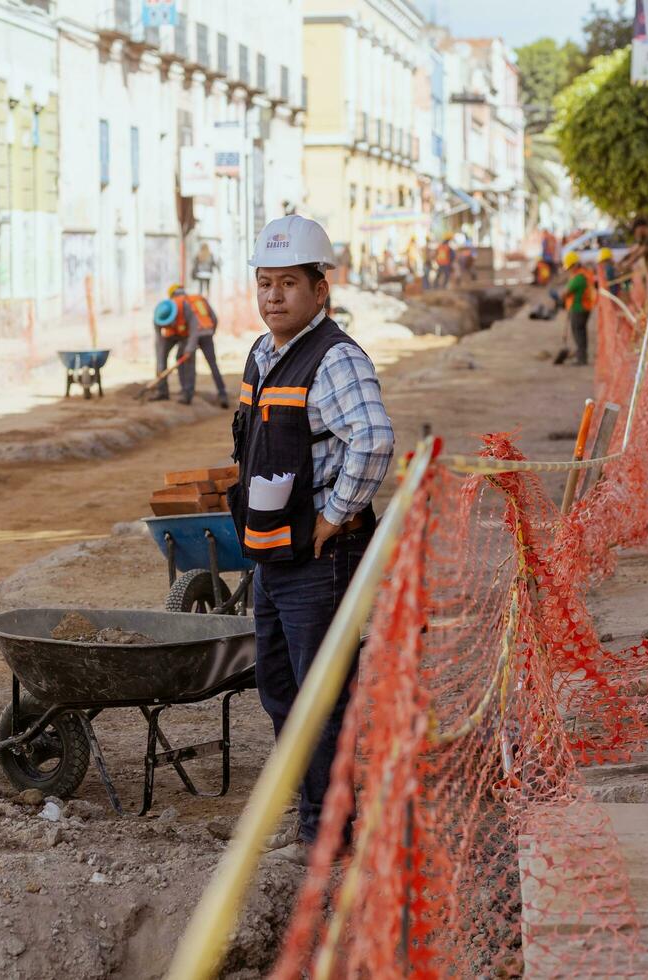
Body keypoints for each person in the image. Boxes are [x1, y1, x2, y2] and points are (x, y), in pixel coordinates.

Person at [228, 214, 395, 864]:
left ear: (318, 290)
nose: (273, 296)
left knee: (322, 692)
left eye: (288, 284)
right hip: (275, 552)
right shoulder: (263, 354)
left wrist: (335, 514)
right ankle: (310, 810)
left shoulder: (334, 358)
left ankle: (329, 832)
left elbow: (374, 438)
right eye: (265, 283)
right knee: (278, 685)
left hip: (320, 556)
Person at [160, 284, 229, 408]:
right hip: (207, 333)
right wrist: (211, 333)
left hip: (191, 334)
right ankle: (222, 394)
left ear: (172, 295)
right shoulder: (198, 298)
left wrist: (190, 346)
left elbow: (186, 324)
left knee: (186, 363)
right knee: (213, 364)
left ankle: (187, 393)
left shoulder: (178, 303)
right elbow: (214, 317)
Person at [150, 283, 194, 403]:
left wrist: (190, 348)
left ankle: (187, 393)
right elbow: (158, 338)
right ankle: (162, 391)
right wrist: (160, 354)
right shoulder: (158, 315)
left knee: (187, 359)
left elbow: (195, 328)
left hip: (185, 334)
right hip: (170, 336)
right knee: (160, 358)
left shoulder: (185, 307)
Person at [561, 250, 595, 366]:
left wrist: (562, 296)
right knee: (581, 333)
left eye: (570, 267)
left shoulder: (578, 278)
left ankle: (581, 358)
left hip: (578, 309)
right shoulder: (584, 274)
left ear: (575, 265)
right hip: (584, 308)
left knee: (578, 333)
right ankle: (581, 355)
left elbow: (566, 292)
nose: (569, 270)